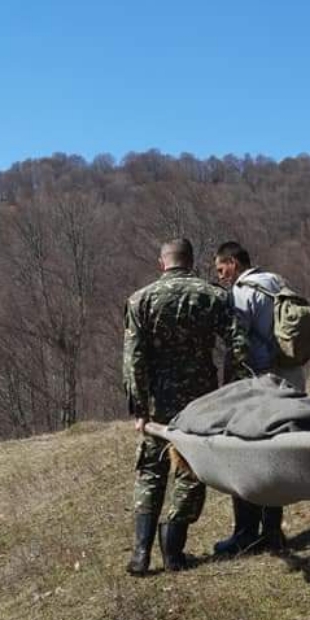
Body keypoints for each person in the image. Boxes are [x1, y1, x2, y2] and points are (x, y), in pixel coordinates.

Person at [121, 238, 249, 575]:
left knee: (150, 469)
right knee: (190, 469)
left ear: (162, 263)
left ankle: (140, 553)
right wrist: (230, 389)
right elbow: (237, 343)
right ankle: (174, 549)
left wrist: (139, 406)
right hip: (200, 400)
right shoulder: (212, 295)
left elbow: (133, 358)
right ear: (190, 262)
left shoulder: (140, 300)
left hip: (157, 400)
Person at [210, 241, 304, 556]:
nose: (221, 275)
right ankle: (273, 531)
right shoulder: (277, 282)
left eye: (221, 268)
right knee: (277, 454)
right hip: (290, 379)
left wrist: (227, 388)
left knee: (245, 456)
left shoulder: (240, 292)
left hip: (259, 383)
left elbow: (238, 347)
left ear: (234, 263)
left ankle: (245, 533)